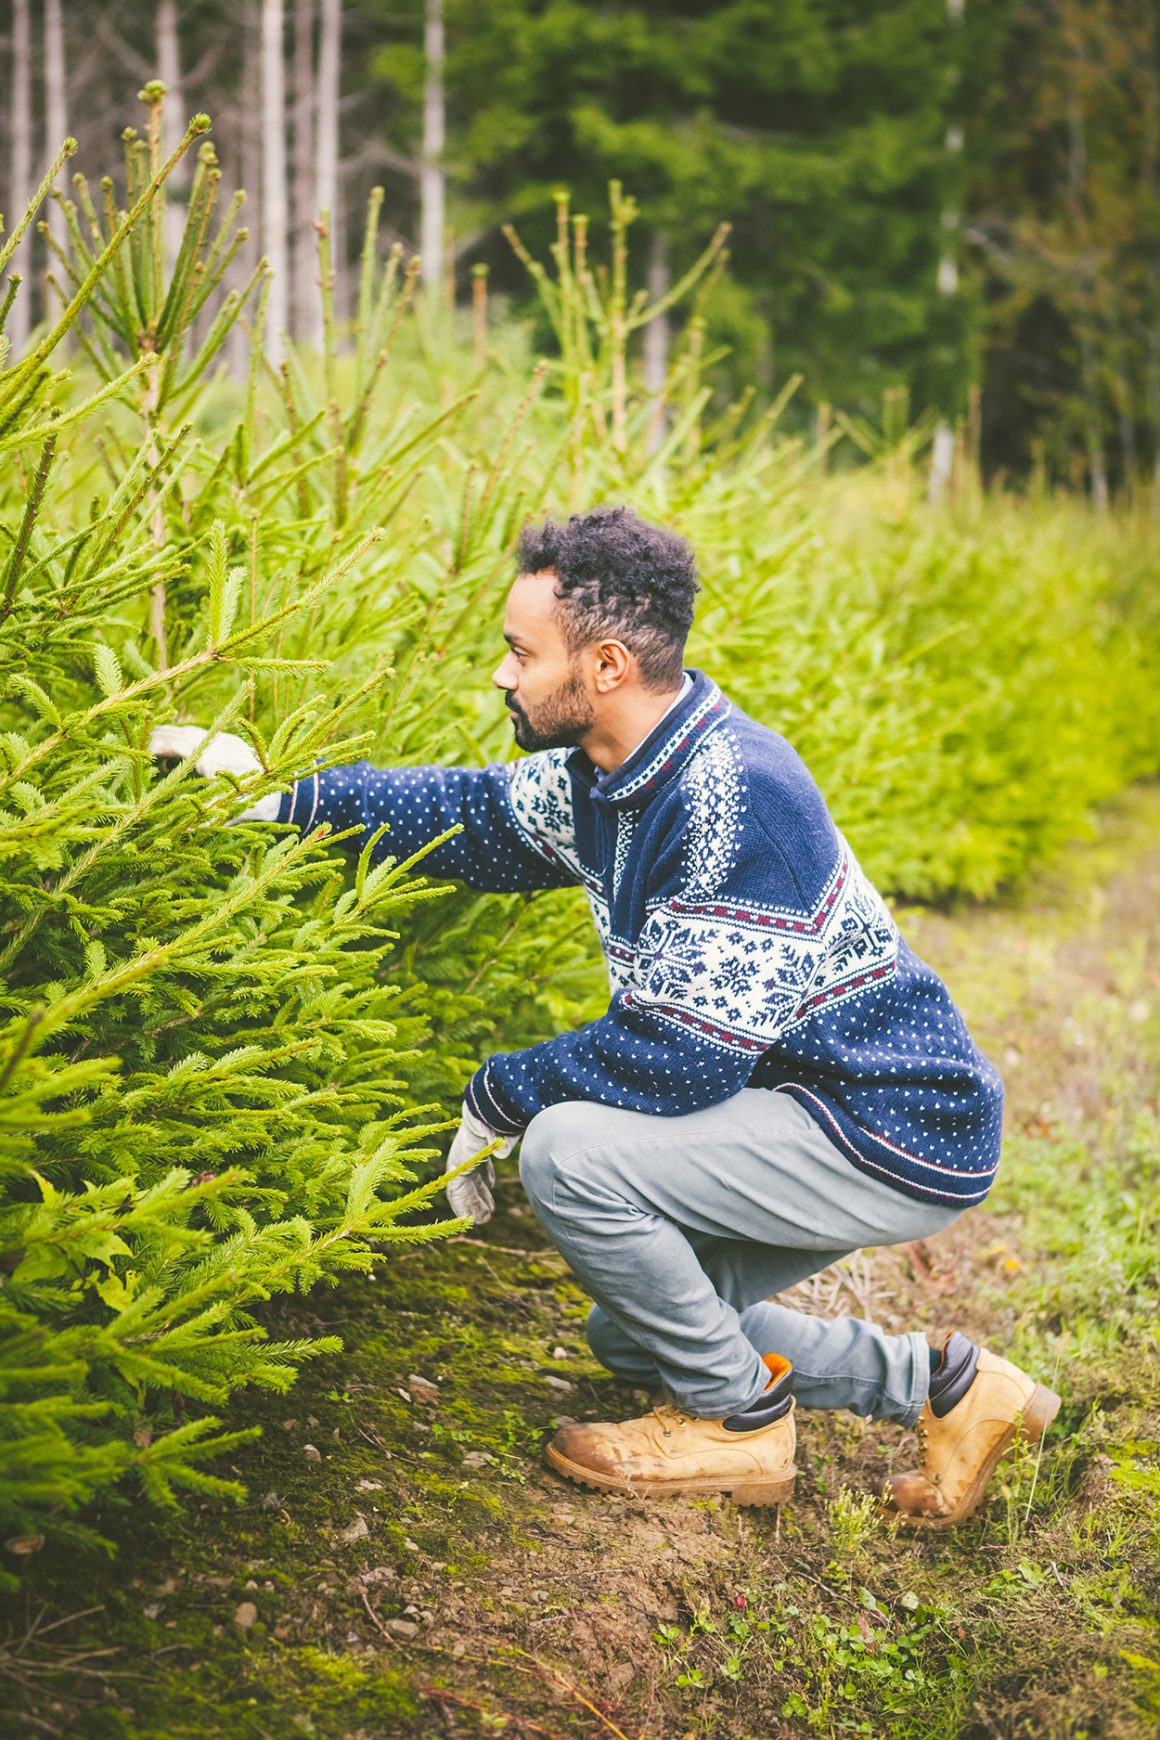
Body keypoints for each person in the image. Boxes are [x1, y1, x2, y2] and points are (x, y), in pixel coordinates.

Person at [150, 505, 1060, 1525]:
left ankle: (736, 1427)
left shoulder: (729, 795)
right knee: (640, 1329)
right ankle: (948, 1388)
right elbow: (467, 818)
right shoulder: (612, 773)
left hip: (885, 1118)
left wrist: (499, 1097)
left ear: (608, 664)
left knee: (567, 1151)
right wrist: (273, 798)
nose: (502, 676)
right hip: (815, 1104)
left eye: (519, 653)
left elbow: (683, 1054)